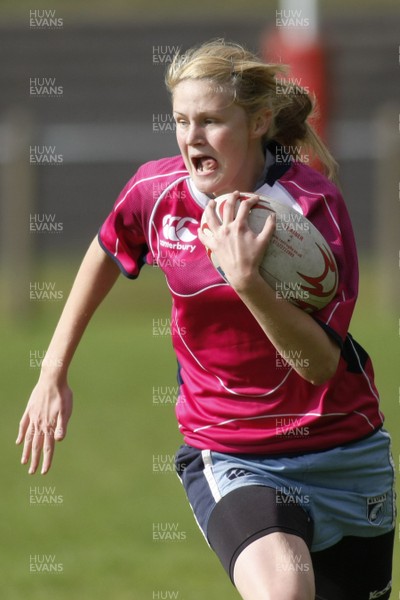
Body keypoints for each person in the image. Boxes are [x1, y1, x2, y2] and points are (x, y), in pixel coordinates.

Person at [17, 40, 395, 600]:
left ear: (258, 121)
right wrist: (53, 370)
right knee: (285, 592)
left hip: (346, 449)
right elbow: (106, 246)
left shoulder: (308, 210)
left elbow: (318, 364)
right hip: (233, 450)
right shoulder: (158, 193)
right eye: (181, 121)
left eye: (212, 121)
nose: (192, 137)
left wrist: (248, 283)